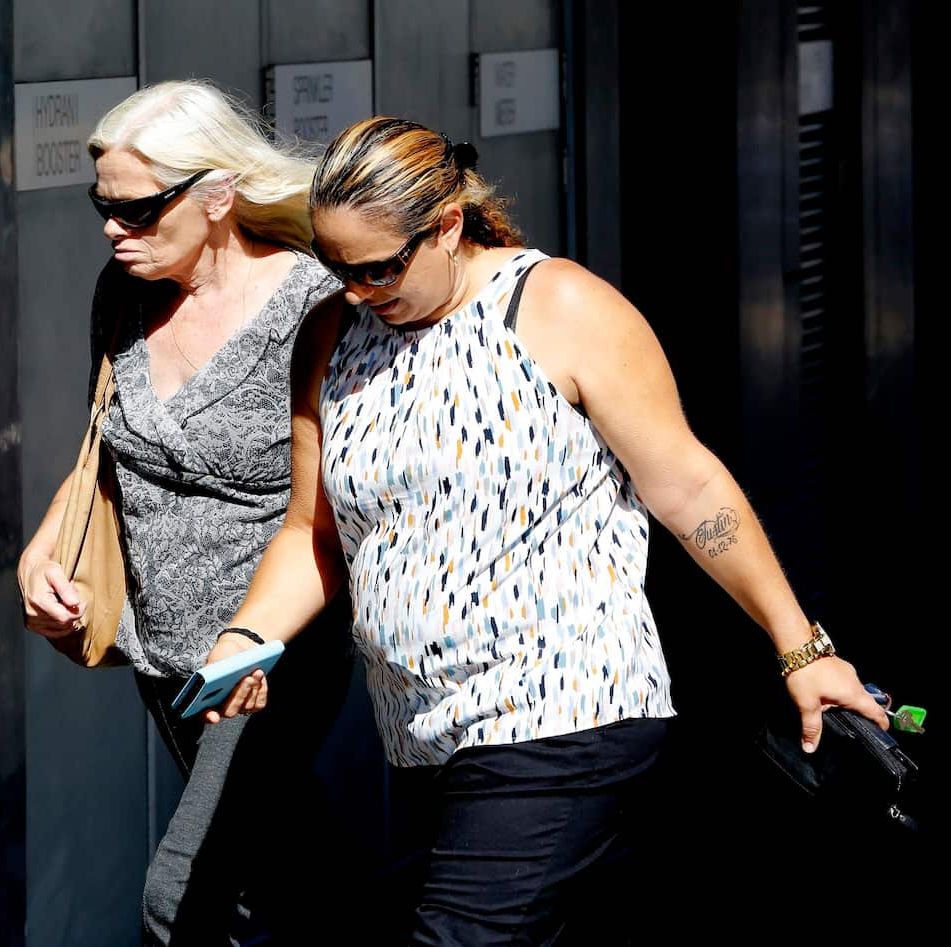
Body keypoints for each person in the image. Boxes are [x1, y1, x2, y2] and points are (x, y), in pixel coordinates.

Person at [201, 116, 891, 945]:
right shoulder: (333, 335)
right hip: (424, 731)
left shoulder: (557, 306)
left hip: (565, 707)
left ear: (448, 225)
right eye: (335, 267)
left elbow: (688, 487)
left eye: (379, 267)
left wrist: (801, 648)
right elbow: (308, 531)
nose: (357, 290)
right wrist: (249, 632)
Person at [15, 80, 354, 946]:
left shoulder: (309, 307)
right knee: (270, 875)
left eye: (137, 209)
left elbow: (334, 503)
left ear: (218, 196)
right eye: (103, 206)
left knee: (183, 896)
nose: (112, 229)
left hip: (270, 658)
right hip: (164, 656)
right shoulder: (123, 292)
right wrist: (42, 549)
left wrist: (258, 638)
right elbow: (104, 450)